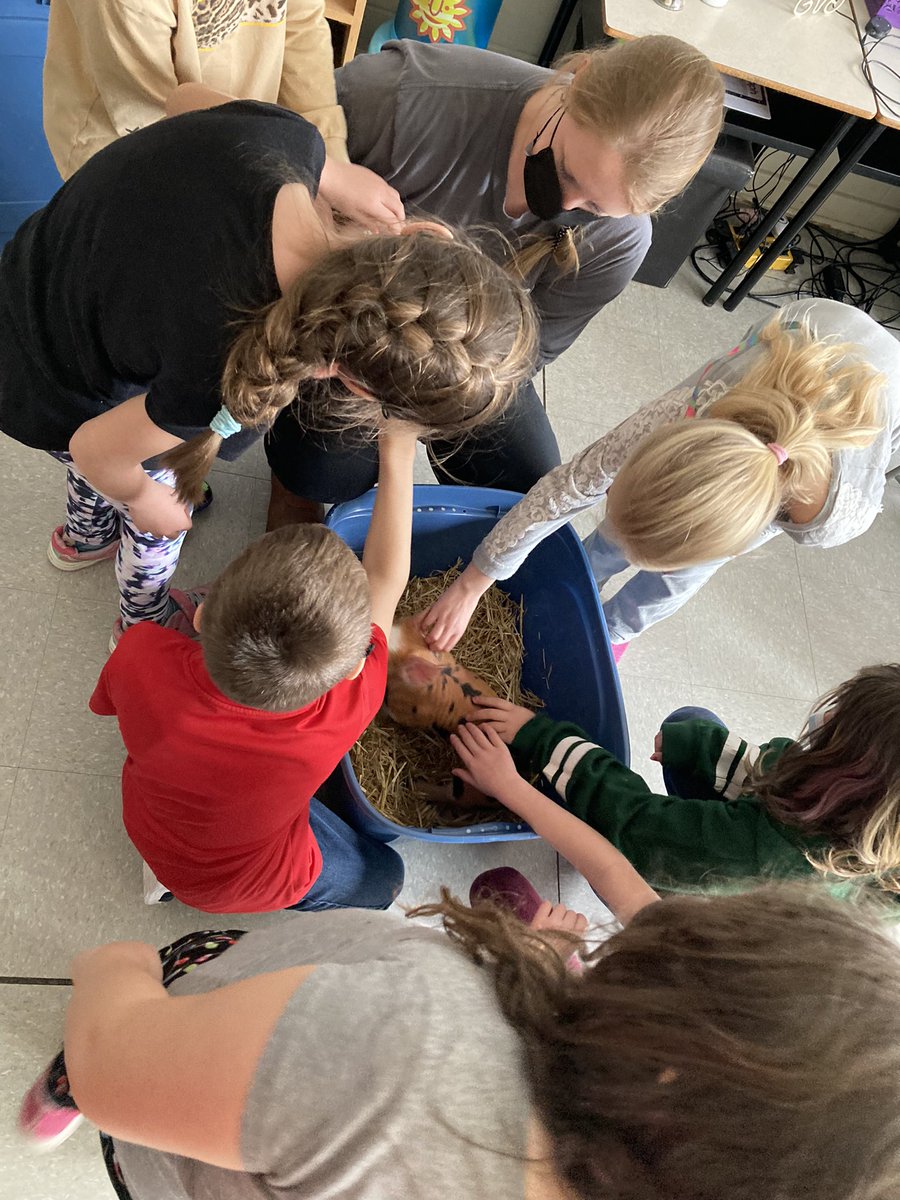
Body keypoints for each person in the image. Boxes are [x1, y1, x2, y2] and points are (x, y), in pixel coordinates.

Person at [0, 100, 536, 646]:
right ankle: (141, 623)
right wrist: (142, 497)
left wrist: (330, 170)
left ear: (420, 233)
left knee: (104, 459)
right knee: (157, 508)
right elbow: (95, 449)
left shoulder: (292, 140)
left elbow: (187, 95)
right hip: (47, 389)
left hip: (36, 274)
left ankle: (84, 538)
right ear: (350, 382)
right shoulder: (221, 371)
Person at [18, 887, 900, 1199]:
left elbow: (119, 1058)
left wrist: (119, 969)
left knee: (101, 1068)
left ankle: (62, 1093)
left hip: (179, 1088)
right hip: (264, 1099)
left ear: (672, 1071)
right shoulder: (621, 1149)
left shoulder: (400, 1056)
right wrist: (546, 963)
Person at [262, 34, 726, 526]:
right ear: (578, 79)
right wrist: (336, 224)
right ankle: (292, 484)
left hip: (473, 352)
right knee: (326, 469)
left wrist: (431, 396)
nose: (563, 205)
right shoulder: (398, 98)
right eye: (567, 171)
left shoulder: (620, 241)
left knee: (525, 487)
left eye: (594, 208)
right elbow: (261, 170)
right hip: (353, 318)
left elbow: (530, 352)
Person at [418, 297, 900, 660]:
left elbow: (692, 562)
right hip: (806, 325)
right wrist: (475, 580)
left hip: (876, 388)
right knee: (630, 534)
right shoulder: (680, 412)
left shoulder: (826, 517)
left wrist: (619, 625)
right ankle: (581, 574)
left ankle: (613, 630)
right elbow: (571, 486)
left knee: (680, 570)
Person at [86, 420, 418, 915]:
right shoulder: (351, 704)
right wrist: (398, 447)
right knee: (387, 875)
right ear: (352, 669)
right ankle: (177, 885)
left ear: (201, 614)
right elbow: (387, 578)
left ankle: (167, 872)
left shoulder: (139, 652)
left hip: (151, 823)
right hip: (239, 881)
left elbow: (110, 704)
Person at [450, 662, 900, 896]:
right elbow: (779, 768)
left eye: (836, 726)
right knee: (691, 721)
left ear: (845, 778)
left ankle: (671, 888)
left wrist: (541, 738)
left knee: (623, 844)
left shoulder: (757, 853)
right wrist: (699, 745)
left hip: (705, 896)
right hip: (774, 860)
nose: (825, 718)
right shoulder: (876, 825)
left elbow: (633, 821)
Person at [42, 0, 403, 231]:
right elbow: (160, 114)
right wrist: (322, 171)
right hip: (127, 141)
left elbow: (301, 25)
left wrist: (327, 155)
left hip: (248, 134)